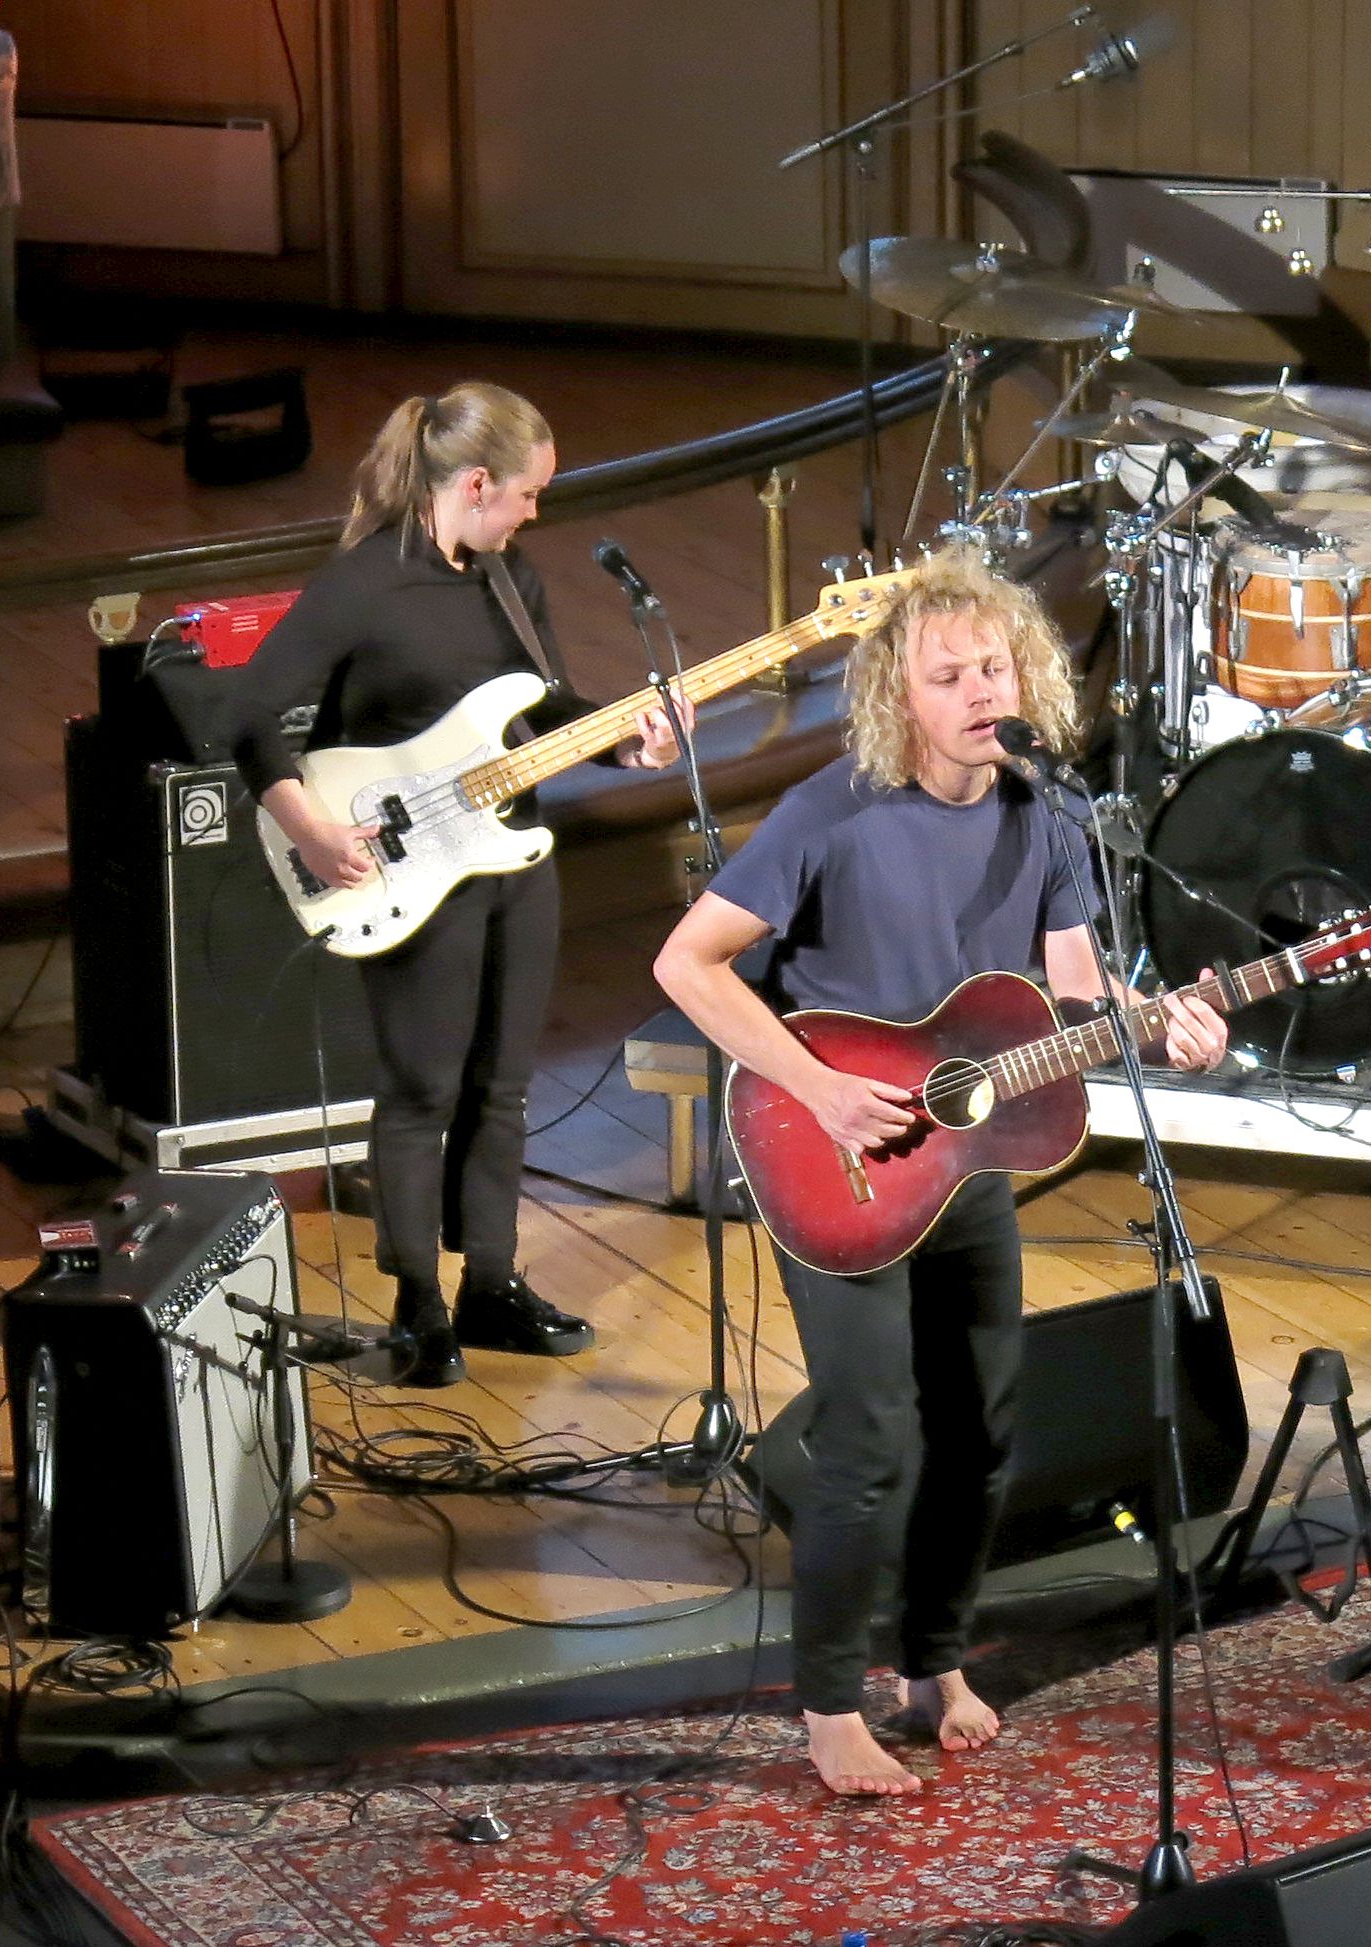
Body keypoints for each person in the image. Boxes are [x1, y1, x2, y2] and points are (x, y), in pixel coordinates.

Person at [651, 550, 1226, 1797]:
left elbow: (1072, 996)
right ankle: (827, 1708)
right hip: (834, 1158)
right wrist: (817, 1085)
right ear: (896, 695)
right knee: (869, 1438)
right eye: (949, 673)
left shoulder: (1046, 814)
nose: (980, 691)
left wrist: (1162, 1023)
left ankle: (933, 1661)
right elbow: (687, 964)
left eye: (995, 667)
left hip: (965, 1160)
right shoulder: (831, 812)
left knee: (983, 1429)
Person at [233, 382, 681, 1388]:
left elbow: (539, 710)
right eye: (528, 493)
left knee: (502, 1085)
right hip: (402, 863)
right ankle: (416, 1306)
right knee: (421, 1088)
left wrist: (628, 740)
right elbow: (250, 715)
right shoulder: (363, 583)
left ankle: (489, 1283)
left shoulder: (511, 579)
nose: (535, 512)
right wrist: (309, 829)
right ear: (475, 484)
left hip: (509, 851)